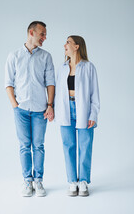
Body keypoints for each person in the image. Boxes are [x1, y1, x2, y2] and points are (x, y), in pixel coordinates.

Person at [5, 21, 55, 197]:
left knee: (39, 146)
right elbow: (8, 83)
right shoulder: (14, 55)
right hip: (21, 110)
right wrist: (15, 105)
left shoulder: (46, 57)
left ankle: (39, 181)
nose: (44, 38)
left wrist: (50, 105)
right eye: (42, 34)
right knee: (25, 146)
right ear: (31, 32)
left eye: (45, 35)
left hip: (40, 110)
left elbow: (50, 83)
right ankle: (28, 181)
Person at [55, 35, 100, 197]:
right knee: (68, 146)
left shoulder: (88, 67)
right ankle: (72, 181)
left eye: (68, 42)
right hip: (65, 109)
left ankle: (83, 181)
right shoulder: (62, 68)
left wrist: (93, 114)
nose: (64, 45)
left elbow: (94, 94)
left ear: (77, 46)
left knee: (85, 146)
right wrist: (53, 109)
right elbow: (58, 94)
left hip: (83, 110)